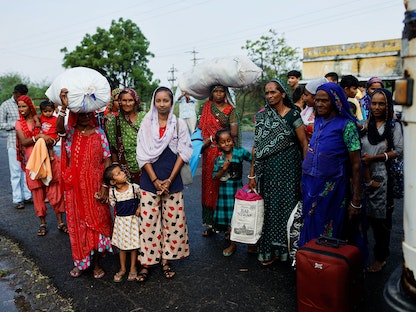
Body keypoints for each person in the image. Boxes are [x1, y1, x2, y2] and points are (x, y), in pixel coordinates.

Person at [299, 83, 364, 252]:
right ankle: (310, 263)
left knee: (329, 227)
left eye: (324, 101)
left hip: (333, 188)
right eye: (317, 100)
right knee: (310, 223)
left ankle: (326, 268)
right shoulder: (319, 121)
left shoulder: (347, 126)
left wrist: (356, 200)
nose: (319, 104)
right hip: (311, 184)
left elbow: (356, 164)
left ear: (335, 102)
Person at [248, 79, 308, 265]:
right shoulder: (263, 117)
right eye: (267, 93)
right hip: (269, 171)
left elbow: (303, 143)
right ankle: (269, 250)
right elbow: (257, 147)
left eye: (273, 92)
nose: (270, 96)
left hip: (290, 168)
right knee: (270, 208)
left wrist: (305, 172)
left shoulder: (293, 115)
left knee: (288, 208)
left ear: (282, 94)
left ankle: (286, 251)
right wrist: (252, 174)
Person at [136, 86, 192, 282]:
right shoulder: (146, 123)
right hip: (149, 181)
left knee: (172, 224)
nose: (161, 104)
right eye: (158, 100)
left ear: (171, 102)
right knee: (148, 224)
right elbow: (142, 154)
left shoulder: (179, 124)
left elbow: (184, 152)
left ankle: (166, 260)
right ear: (154, 102)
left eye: (165, 101)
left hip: (172, 181)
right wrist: (155, 180)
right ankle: (146, 263)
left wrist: (168, 180)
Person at [57, 88, 113, 279]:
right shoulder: (70, 134)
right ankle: (81, 263)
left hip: (96, 187)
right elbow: (58, 130)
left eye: (87, 113)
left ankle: (96, 263)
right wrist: (63, 108)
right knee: (78, 225)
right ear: (74, 114)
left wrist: (105, 186)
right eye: (80, 113)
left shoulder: (99, 134)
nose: (84, 117)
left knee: (98, 224)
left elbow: (107, 160)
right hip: (75, 189)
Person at [361, 88, 403, 273]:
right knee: (362, 220)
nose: (377, 107)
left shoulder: (393, 127)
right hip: (363, 177)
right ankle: (360, 256)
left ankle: (381, 258)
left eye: (381, 104)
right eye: (374, 103)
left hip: (383, 177)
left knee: (381, 223)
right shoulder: (365, 126)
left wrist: (375, 158)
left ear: (388, 106)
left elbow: (399, 151)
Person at [15, 95, 66, 236]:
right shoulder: (19, 124)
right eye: (19, 106)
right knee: (38, 194)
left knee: (55, 191)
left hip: (49, 160)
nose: (21, 109)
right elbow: (24, 142)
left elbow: (55, 136)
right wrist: (38, 137)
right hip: (32, 163)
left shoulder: (40, 120)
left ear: (30, 106)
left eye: (24, 106)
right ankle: (42, 224)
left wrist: (51, 140)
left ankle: (61, 222)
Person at [198, 85, 240, 237]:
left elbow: (234, 133)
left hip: (225, 151)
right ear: (211, 93)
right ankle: (210, 224)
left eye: (221, 91)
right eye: (215, 91)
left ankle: (227, 226)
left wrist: (218, 140)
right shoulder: (206, 107)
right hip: (209, 153)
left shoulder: (231, 110)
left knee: (225, 187)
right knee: (210, 186)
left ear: (226, 93)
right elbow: (199, 128)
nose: (218, 94)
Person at [212, 129, 252, 256]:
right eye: (223, 142)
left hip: (238, 191)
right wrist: (223, 169)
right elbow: (215, 177)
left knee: (241, 217)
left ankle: (250, 244)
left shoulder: (240, 153)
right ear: (218, 144)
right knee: (230, 220)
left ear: (233, 141)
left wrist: (252, 176)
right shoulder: (219, 158)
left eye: (228, 141)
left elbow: (253, 160)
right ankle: (232, 244)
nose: (226, 144)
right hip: (225, 193)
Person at [103, 164, 140, 282]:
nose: (123, 173)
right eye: (118, 173)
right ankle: (123, 268)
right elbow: (112, 203)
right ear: (113, 182)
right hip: (121, 223)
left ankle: (133, 267)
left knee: (134, 246)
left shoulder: (134, 188)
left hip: (133, 221)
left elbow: (142, 198)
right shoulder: (113, 193)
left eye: (122, 171)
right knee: (122, 247)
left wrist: (139, 207)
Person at [0, 84, 33, 209]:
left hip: (27, 143)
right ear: (14, 93)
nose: (21, 98)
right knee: (15, 172)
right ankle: (18, 199)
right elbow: (1, 124)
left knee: (27, 170)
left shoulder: (25, 103)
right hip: (13, 142)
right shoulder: (5, 105)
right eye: (19, 96)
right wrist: (15, 124)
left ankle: (27, 195)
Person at [106, 88, 145, 184]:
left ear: (135, 101)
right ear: (119, 102)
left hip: (146, 167)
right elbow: (114, 149)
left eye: (130, 100)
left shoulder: (144, 118)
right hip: (125, 170)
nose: (127, 104)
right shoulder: (114, 122)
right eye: (124, 100)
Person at [301, 77, 328, 141]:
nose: (304, 98)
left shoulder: (328, 115)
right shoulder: (308, 110)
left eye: (306, 95)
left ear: (315, 97)